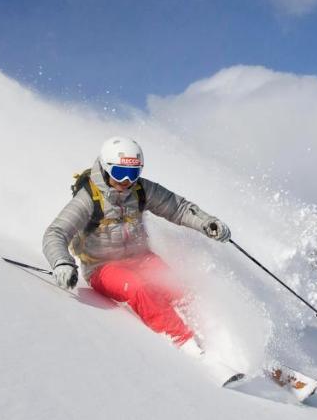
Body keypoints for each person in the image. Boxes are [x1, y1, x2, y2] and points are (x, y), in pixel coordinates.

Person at [42, 136, 230, 353]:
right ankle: (185, 342)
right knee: (140, 289)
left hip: (141, 258)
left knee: (177, 288)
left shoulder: (141, 189)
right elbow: (55, 233)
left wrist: (208, 223)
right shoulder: (88, 198)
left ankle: (217, 337)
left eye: (133, 173)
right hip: (102, 267)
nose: (126, 181)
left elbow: (177, 208)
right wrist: (61, 263)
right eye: (119, 173)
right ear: (105, 169)